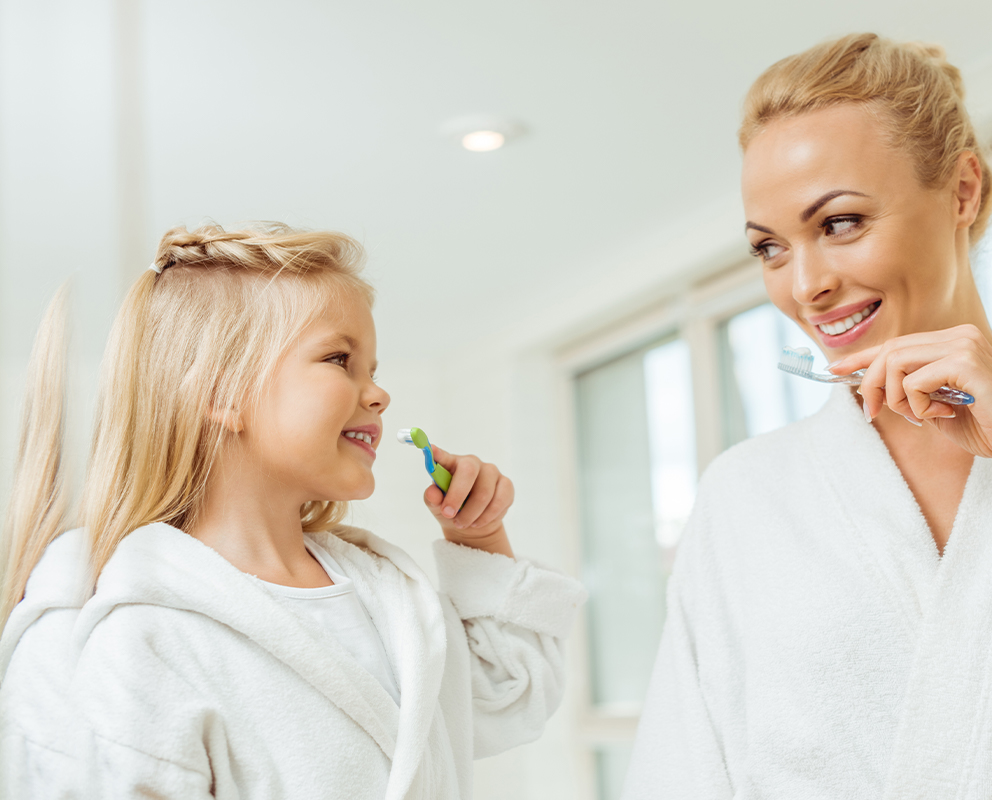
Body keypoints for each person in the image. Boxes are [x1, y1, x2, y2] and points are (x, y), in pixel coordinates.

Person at [624, 33, 992, 799]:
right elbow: (682, 770)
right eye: (770, 248)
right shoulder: (744, 496)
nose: (805, 286)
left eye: (839, 224)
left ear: (962, 190)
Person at [0, 223, 585, 799]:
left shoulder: (387, 594)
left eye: (373, 372)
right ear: (223, 394)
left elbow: (507, 698)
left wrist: (481, 539)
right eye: (339, 359)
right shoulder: (129, 628)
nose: (379, 394)